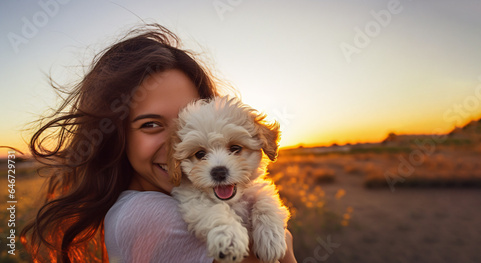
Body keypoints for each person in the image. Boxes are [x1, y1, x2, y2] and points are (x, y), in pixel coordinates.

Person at [21, 24, 296, 263]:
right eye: (150, 124)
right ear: (116, 134)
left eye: (187, 121)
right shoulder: (150, 215)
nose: (176, 144)